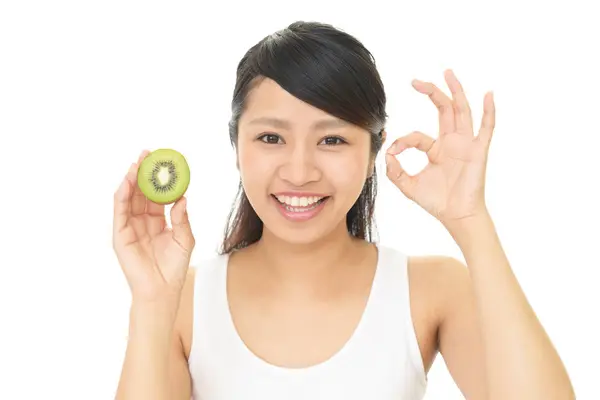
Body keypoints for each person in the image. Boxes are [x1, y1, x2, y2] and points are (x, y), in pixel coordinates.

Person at [112, 21, 575, 400]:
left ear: (371, 153)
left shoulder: (432, 290)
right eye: (271, 138)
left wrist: (472, 223)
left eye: (332, 139)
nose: (299, 171)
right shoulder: (182, 302)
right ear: (237, 147)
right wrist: (152, 303)